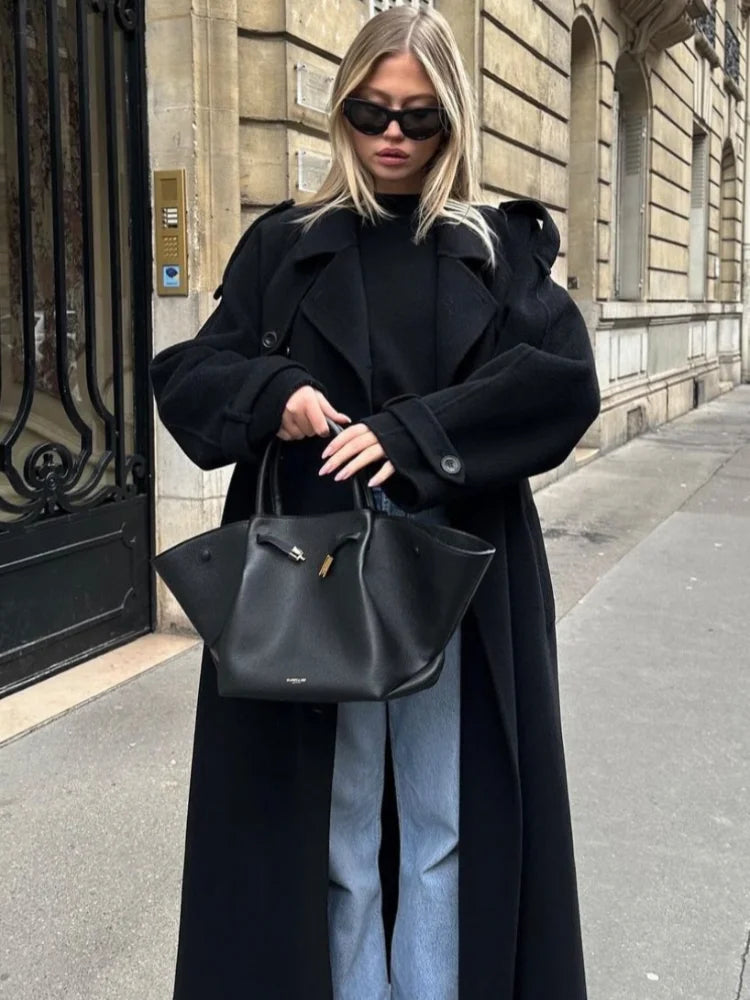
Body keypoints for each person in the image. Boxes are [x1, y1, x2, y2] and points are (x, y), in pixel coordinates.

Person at [150, 7, 600, 1000]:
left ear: (453, 121)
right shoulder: (285, 246)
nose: (393, 134)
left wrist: (415, 433)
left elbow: (563, 383)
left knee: (447, 817)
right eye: (371, 110)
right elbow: (188, 376)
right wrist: (272, 392)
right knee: (338, 820)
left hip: (457, 572)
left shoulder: (493, 247)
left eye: (419, 115)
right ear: (342, 110)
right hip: (316, 576)